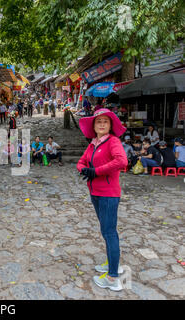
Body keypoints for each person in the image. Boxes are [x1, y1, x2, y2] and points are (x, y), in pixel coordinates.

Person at [77, 108, 128, 291]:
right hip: (96, 193)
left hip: (108, 194)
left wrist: (96, 171)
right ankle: (112, 264)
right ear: (94, 125)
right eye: (98, 121)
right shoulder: (93, 144)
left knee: (109, 233)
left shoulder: (113, 141)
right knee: (106, 231)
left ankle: (113, 278)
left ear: (110, 125)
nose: (102, 124)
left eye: (105, 121)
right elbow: (81, 161)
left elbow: (122, 162)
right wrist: (84, 169)